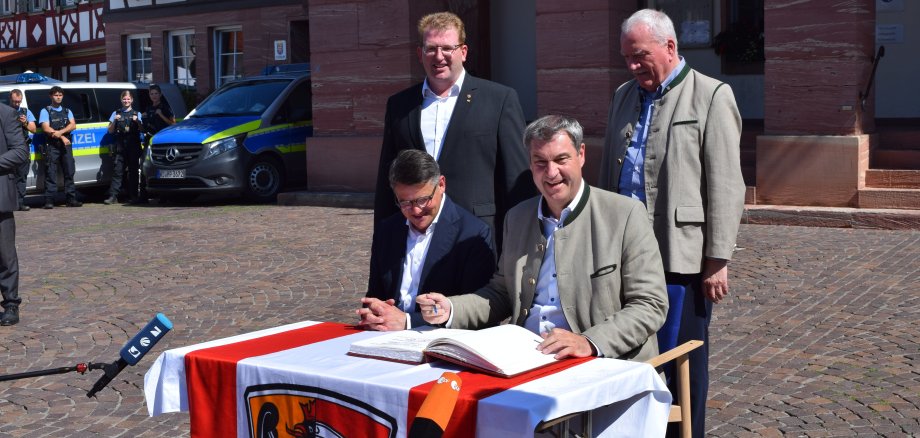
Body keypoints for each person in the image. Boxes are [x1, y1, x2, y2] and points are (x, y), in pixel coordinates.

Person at [597, 9, 746, 437]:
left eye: (639, 55)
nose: (632, 66)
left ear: (670, 47)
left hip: (681, 255)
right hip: (623, 255)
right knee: (629, 357)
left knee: (682, 361)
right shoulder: (623, 95)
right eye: (626, 57)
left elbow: (725, 183)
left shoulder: (711, 95)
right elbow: (608, 171)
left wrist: (717, 259)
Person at [418, 115, 668, 363]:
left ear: (581, 154)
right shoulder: (517, 218)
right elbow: (501, 293)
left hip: (601, 362)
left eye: (561, 159)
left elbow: (650, 304)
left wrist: (589, 342)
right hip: (526, 357)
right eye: (540, 162)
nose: (551, 173)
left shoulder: (625, 215)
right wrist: (451, 309)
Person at [373, 11, 534, 253]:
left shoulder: (499, 100)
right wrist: (382, 245)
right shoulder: (400, 105)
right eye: (431, 48)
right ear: (420, 53)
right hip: (415, 236)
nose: (439, 56)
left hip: (477, 237)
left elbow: (517, 180)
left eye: (448, 48)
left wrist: (519, 247)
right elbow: (387, 182)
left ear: (463, 52)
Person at [358, 149, 495, 331]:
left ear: (441, 184)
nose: (416, 210)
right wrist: (374, 313)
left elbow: (476, 313)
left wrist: (408, 321)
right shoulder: (387, 230)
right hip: (384, 336)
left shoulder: (473, 234)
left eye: (423, 200)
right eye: (405, 202)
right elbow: (375, 294)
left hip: (441, 339)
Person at [0, 98, 30, 326]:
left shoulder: (6, 114)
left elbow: (20, 152)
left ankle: (11, 303)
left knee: (4, 254)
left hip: (0, 195)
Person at [39, 86, 81, 209]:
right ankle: (49, 200)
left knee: (69, 171)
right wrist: (62, 137)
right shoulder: (45, 111)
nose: (58, 97)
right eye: (56, 95)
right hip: (52, 145)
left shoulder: (67, 111)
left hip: (66, 146)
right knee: (50, 173)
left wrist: (60, 132)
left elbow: (73, 125)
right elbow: (46, 128)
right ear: (51, 96)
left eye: (60, 95)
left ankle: (71, 199)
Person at [104, 90, 144, 205]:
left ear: (132, 100)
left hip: (133, 145)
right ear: (121, 100)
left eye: (128, 99)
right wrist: (115, 121)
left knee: (133, 172)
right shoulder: (116, 113)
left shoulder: (137, 113)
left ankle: (134, 196)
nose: (126, 101)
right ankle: (113, 196)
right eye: (124, 99)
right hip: (120, 145)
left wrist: (138, 122)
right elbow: (110, 131)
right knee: (117, 171)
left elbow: (142, 129)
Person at [138, 84, 176, 204]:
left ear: (160, 94)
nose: (154, 96)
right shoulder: (149, 108)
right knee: (145, 166)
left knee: (163, 167)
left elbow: (173, 124)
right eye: (151, 94)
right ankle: (143, 196)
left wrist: (161, 114)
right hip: (150, 140)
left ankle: (165, 196)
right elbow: (145, 127)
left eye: (156, 93)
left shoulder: (165, 107)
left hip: (162, 141)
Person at [9, 89, 36, 211]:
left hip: (22, 148)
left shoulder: (26, 112)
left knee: (21, 176)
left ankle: (20, 202)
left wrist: (25, 122)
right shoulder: (4, 111)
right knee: (8, 176)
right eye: (14, 101)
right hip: (8, 148)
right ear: (10, 99)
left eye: (19, 102)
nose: (16, 104)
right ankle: (8, 202)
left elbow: (33, 129)